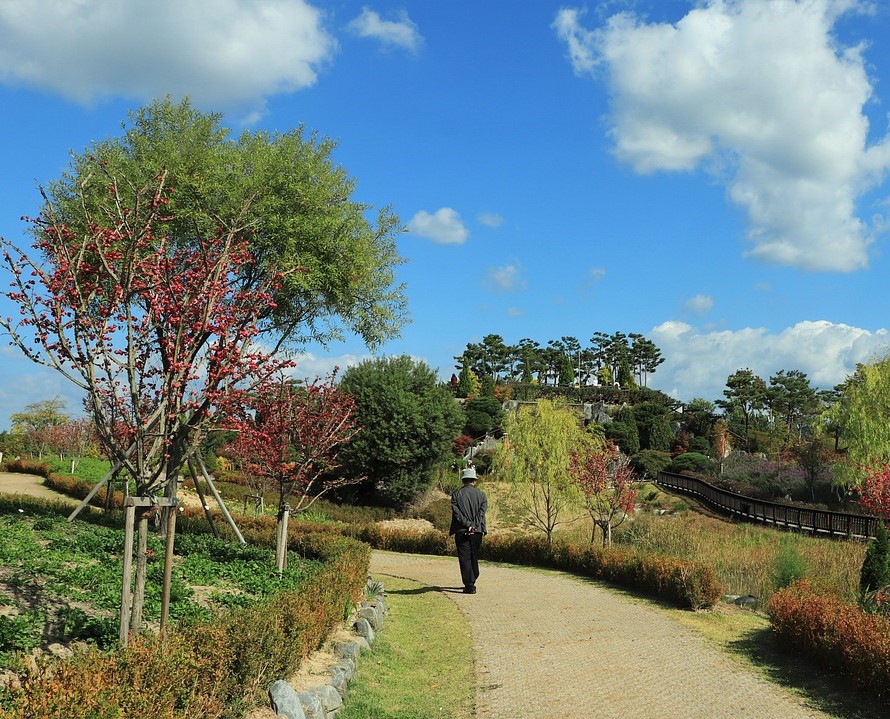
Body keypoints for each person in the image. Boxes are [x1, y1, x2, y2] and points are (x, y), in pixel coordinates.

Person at [449, 466, 488, 594]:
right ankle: (473, 577)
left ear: (463, 480)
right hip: (477, 531)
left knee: (464, 558)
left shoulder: (456, 495)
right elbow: (481, 513)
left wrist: (467, 525)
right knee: (474, 556)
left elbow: (457, 514)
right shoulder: (482, 495)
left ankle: (469, 585)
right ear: (474, 480)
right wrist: (474, 525)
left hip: (461, 530)